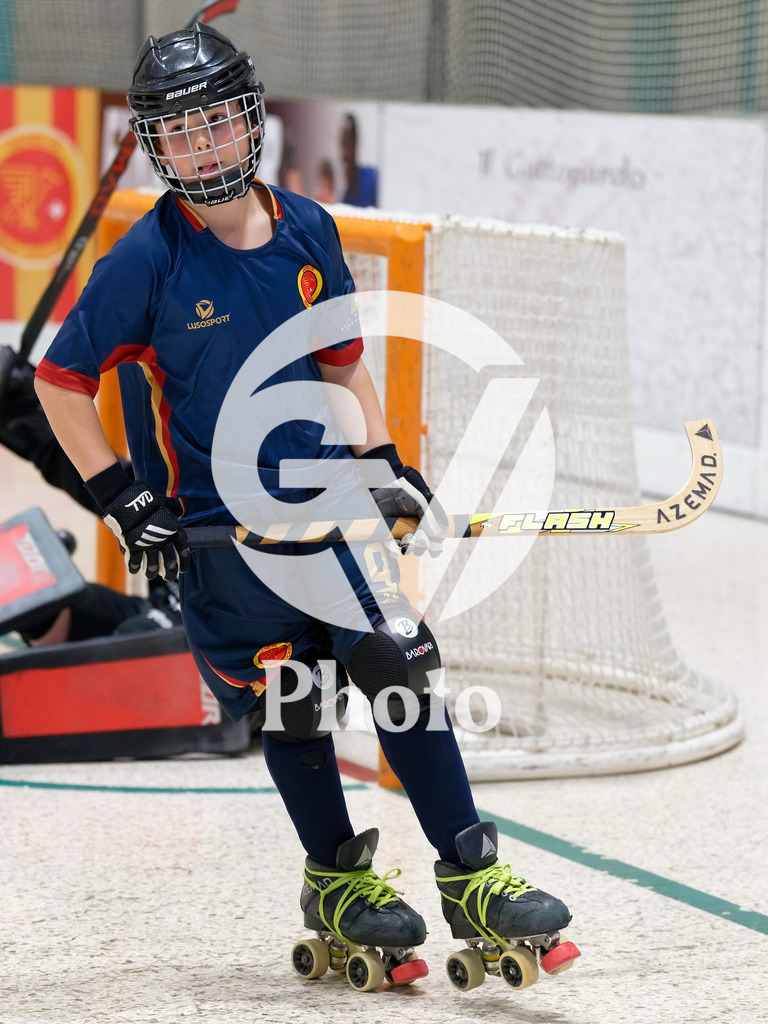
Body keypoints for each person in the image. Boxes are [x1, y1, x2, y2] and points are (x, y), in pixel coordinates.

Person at [34, 23, 573, 984]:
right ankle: (336, 876)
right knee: (295, 697)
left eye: (214, 125)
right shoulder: (145, 262)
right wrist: (122, 499)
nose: (201, 148)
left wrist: (380, 461)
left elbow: (344, 365)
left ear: (249, 123)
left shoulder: (310, 232)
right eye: (179, 133)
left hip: (320, 518)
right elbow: (60, 383)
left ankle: (472, 875)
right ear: (158, 146)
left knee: (396, 658)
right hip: (219, 539)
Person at [0, 353, 181, 644]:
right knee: (40, 609)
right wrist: (23, 413)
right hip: (168, 601)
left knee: (120, 657)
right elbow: (117, 492)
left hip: (216, 634)